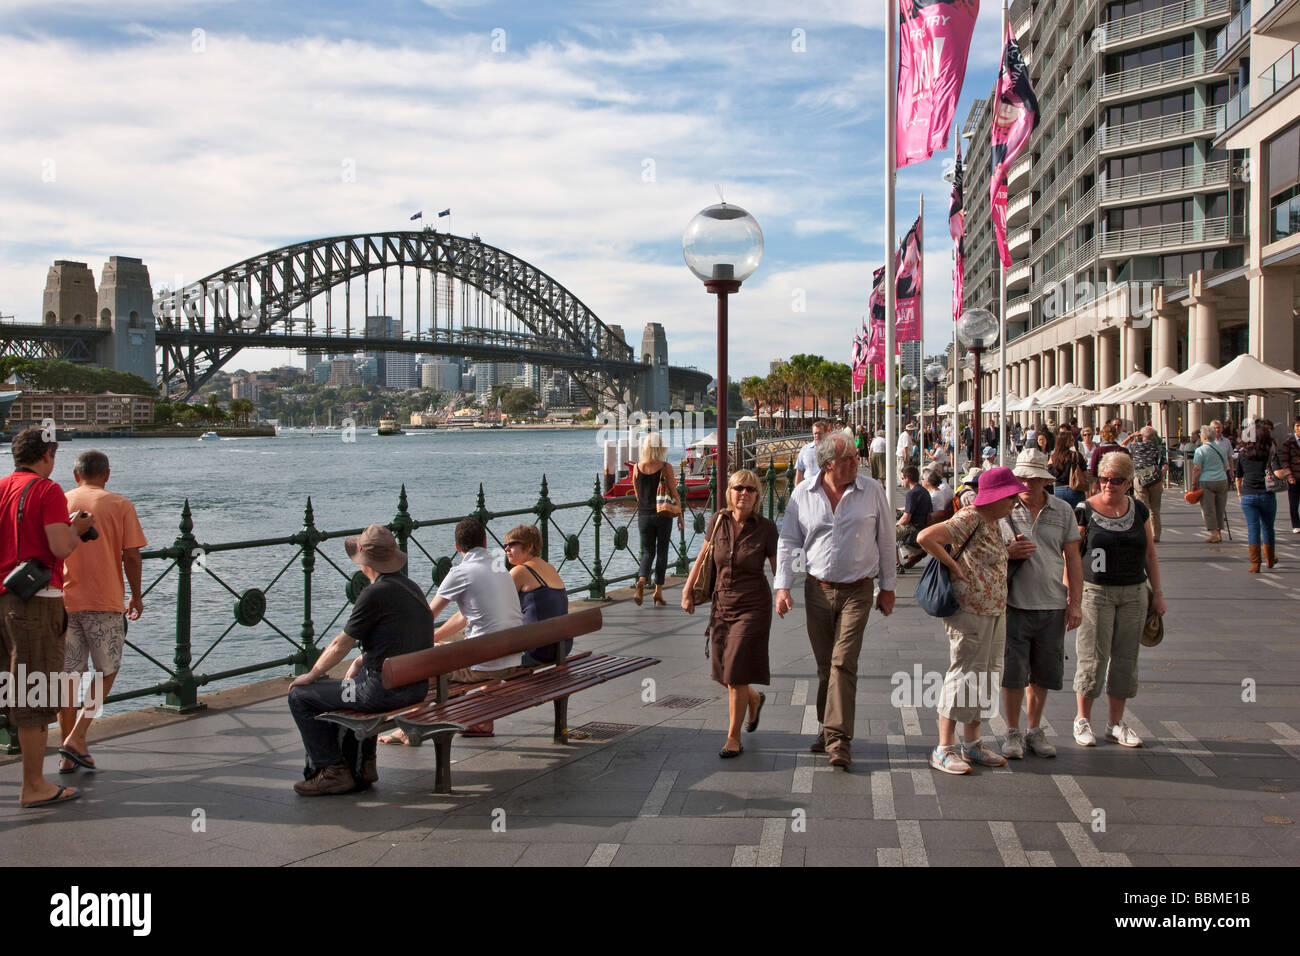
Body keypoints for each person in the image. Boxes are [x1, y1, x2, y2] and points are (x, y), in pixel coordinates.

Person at [775, 432, 896, 768]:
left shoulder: (871, 491)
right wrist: (782, 587)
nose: (856, 463)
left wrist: (887, 587)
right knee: (826, 665)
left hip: (858, 589)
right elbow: (788, 541)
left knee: (843, 661)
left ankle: (839, 739)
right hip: (817, 589)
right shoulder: (803, 493)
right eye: (849, 460)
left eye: (857, 457)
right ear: (828, 465)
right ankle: (826, 728)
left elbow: (886, 540)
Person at [288, 525, 433, 795]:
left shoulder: (373, 594)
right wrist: (361, 662)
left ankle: (332, 770)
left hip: (380, 692)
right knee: (347, 683)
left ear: (365, 562)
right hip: (416, 688)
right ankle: (365, 763)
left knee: (302, 696)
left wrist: (311, 675)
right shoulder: (411, 587)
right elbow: (395, 640)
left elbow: (339, 644)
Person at [0, 427, 95, 808]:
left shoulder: (3, 487)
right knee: (34, 693)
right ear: (48, 456)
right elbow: (60, 546)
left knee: (9, 687)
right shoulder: (47, 490)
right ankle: (34, 785)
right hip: (36, 602)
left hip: (2, 599)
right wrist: (78, 529)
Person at [916, 466, 1026, 775]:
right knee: (963, 673)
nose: (1015, 502)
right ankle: (944, 746)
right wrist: (953, 566)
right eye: (1012, 496)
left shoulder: (995, 522)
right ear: (996, 496)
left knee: (988, 675)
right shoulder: (970, 517)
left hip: (994, 607)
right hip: (969, 609)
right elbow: (926, 537)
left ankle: (973, 742)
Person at [56, 450, 147, 775]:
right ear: (106, 474)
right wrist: (136, 595)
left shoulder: (61, 500)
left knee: (67, 677)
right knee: (107, 669)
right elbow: (132, 556)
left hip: (64, 599)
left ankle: (69, 752)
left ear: (75, 473)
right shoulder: (120, 504)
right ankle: (77, 737)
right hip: (105, 598)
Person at [1072, 452, 1166, 749]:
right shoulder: (1084, 509)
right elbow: (1071, 554)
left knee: (1126, 658)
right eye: (1103, 479)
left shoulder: (1139, 510)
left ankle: (1115, 723)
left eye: (1116, 480)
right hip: (1096, 591)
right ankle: (1082, 719)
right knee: (1092, 656)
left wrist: (1158, 592)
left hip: (1134, 592)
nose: (1108, 485)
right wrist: (1071, 594)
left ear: (1128, 482)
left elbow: (1150, 553)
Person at [683, 469, 778, 758]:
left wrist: (783, 593)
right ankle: (752, 698)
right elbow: (702, 557)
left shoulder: (766, 528)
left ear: (758, 496)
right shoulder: (718, 521)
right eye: (739, 488)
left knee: (735, 669)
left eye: (750, 489)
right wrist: (687, 590)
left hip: (753, 606)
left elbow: (778, 566)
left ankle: (733, 737)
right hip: (721, 603)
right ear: (730, 493)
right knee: (724, 673)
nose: (744, 494)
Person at [998, 451, 1083, 760]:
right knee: (1013, 672)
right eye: (1021, 478)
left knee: (1043, 673)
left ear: (1044, 481)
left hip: (1052, 603)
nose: (1025, 483)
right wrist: (1008, 552)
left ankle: (1034, 729)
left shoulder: (1062, 510)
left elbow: (1073, 557)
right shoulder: (1003, 508)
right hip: (1012, 603)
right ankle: (1012, 730)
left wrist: (1075, 602)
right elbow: (986, 553)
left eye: (1032, 478)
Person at [631, 431, 684, 606]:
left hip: (644, 515)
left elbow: (638, 495)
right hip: (663, 514)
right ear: (660, 448)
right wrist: (680, 515)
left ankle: (641, 580)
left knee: (647, 551)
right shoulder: (665, 467)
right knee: (662, 552)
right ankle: (658, 592)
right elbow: (674, 492)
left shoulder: (637, 467)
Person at [504, 524, 570, 663]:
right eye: (506, 545)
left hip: (537, 651)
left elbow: (497, 609)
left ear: (529, 547)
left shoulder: (520, 571)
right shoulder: (550, 567)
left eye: (512, 544)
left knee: (487, 663)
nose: (507, 549)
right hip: (562, 647)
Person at [1234, 419, 1286, 572]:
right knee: (1268, 528)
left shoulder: (1242, 454)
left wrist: (1240, 494)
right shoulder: (1269, 453)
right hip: (1267, 494)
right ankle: (1270, 559)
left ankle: (1255, 563)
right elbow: (1277, 472)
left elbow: (1238, 477)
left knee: (1252, 529)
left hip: (1248, 496)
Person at [1191, 424, 1231, 543]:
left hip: (1206, 480)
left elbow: (1197, 468)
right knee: (1220, 507)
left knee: (1208, 508)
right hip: (1222, 480)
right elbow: (1225, 466)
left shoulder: (1200, 450)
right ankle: (1218, 532)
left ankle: (1214, 534)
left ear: (1203, 437)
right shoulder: (1221, 448)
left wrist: (1194, 483)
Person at [1129, 426, 1168, 543]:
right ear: (1154, 436)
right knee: (1155, 509)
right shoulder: (1159, 448)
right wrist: (1160, 475)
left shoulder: (1134, 446)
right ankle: (1156, 535)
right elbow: (1165, 466)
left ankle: (1145, 534)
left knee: (1143, 507)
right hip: (1155, 479)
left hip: (1140, 478)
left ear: (1141, 435)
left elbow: (1121, 447)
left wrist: (1131, 437)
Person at [896, 465, 932, 570]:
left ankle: (896, 564)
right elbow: (912, 508)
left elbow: (906, 518)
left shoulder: (911, 494)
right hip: (923, 524)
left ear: (907, 478)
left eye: (902, 478)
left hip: (913, 526)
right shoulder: (923, 491)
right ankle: (913, 554)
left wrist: (896, 524)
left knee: (888, 534)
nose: (902, 481)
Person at [1049, 426, 1088, 508]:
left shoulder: (1054, 457)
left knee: (1061, 517)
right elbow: (1085, 474)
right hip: (1075, 488)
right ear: (1066, 442)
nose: (1074, 441)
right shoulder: (1076, 455)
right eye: (1072, 440)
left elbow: (1050, 472)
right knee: (1077, 516)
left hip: (1059, 489)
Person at [795, 421, 829, 488]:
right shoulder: (805, 449)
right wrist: (797, 489)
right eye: (815, 433)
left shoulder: (831, 449)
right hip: (807, 488)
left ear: (825, 434)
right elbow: (799, 471)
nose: (817, 436)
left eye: (820, 433)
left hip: (825, 489)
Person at [1281, 417, 1300, 534]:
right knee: (1293, 502)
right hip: (1294, 477)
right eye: (1297, 426)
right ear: (1294, 427)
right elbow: (1285, 461)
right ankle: (1296, 524)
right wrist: (1289, 476)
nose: (1299, 428)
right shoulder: (1288, 442)